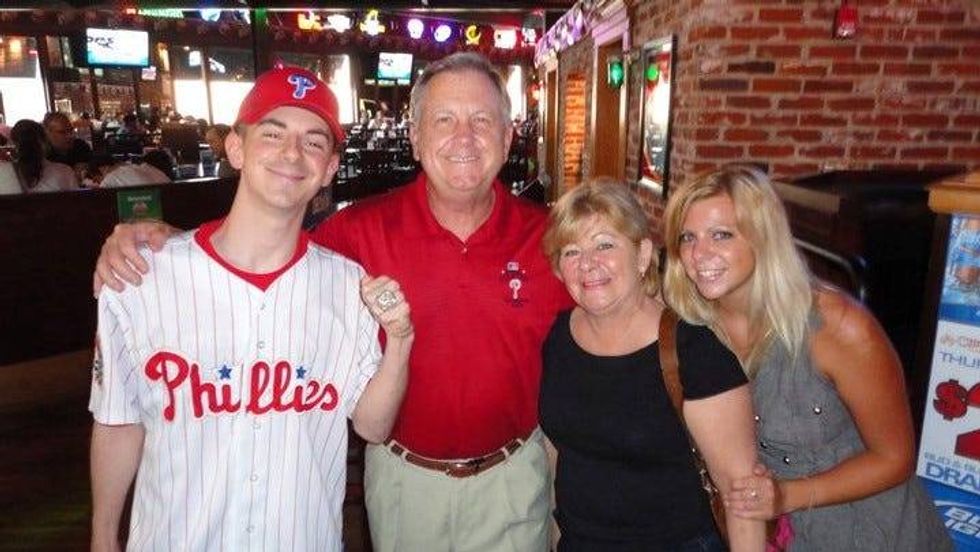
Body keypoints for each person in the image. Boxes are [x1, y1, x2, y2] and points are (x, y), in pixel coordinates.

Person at [92, 52, 570, 552]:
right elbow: (264, 250)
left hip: (514, 479)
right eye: (444, 119)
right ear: (415, 137)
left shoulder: (550, 239)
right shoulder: (357, 232)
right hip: (405, 480)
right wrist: (165, 244)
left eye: (482, 120)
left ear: (509, 135)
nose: (464, 137)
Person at [89, 65, 414, 551]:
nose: (291, 153)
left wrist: (402, 342)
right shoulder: (139, 278)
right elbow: (117, 422)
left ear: (328, 169)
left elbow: (371, 423)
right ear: (236, 148)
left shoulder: (349, 286)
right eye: (272, 133)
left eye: (314, 141)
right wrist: (101, 537)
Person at [662, 164, 953, 551]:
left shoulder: (838, 327)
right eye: (688, 238)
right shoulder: (693, 330)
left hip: (872, 531)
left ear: (762, 238)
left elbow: (896, 458)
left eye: (721, 235)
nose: (700, 254)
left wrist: (787, 496)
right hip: (779, 536)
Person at [540, 181, 764, 551]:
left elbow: (741, 496)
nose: (588, 264)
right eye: (571, 251)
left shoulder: (694, 351)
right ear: (559, 268)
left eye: (605, 245)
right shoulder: (559, 338)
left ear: (642, 255)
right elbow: (558, 449)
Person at [0, 119, 78, 194]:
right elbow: (77, 205)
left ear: (12, 145)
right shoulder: (64, 172)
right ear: (44, 143)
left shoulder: (3, 173)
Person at [86, 153, 171, 188]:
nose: (98, 183)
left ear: (102, 169)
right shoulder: (146, 167)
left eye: (97, 180)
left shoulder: (110, 179)